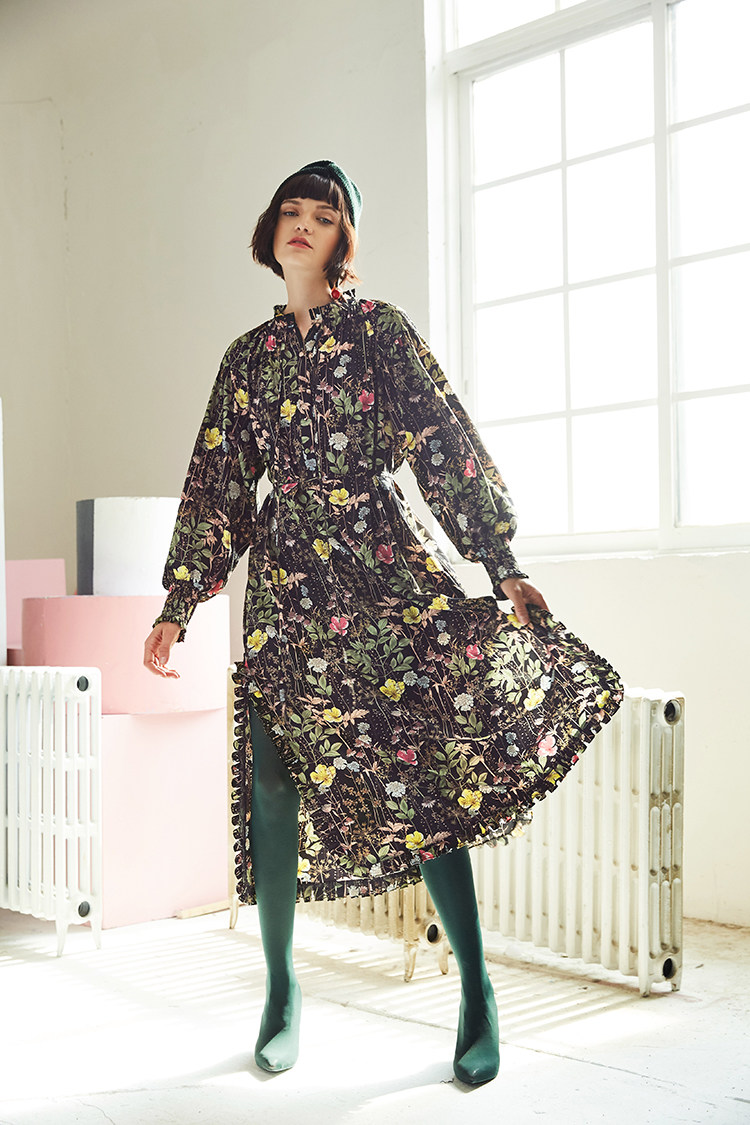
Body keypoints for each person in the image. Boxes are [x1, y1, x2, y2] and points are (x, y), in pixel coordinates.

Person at [144, 159, 622, 1085]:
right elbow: (217, 484)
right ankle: (281, 991)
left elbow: (443, 444)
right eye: (291, 211)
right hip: (287, 588)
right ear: (271, 230)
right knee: (272, 786)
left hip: (381, 571)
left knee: (425, 782)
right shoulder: (247, 360)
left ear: (343, 238)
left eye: (322, 216)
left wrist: (501, 563)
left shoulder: (380, 332)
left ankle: (476, 990)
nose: (302, 225)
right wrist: (179, 603)